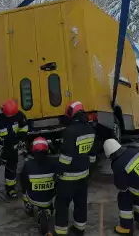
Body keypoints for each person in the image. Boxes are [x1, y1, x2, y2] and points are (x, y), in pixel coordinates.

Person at [54, 101, 97, 236]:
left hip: (67, 178)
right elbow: (93, 153)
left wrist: (58, 172)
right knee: (81, 204)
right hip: (83, 175)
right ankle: (79, 229)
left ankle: (60, 232)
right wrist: (88, 168)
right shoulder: (91, 129)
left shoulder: (70, 131)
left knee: (62, 205)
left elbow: (66, 157)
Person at [104, 138, 139, 235]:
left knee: (124, 197)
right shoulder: (133, 149)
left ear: (110, 154)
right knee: (137, 192)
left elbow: (121, 186)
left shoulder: (117, 164)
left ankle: (126, 227)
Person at [0, 98, 29, 198]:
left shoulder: (19, 115)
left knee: (12, 169)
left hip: (13, 148)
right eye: (8, 115)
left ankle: (11, 190)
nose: (10, 117)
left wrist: (21, 138)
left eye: (11, 115)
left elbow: (24, 127)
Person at [21, 137, 58, 236]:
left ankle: (29, 206)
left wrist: (25, 195)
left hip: (33, 198)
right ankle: (49, 210)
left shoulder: (28, 164)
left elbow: (23, 182)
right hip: (50, 198)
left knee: (25, 184)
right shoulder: (55, 161)